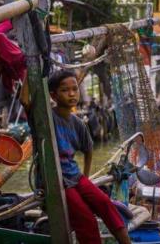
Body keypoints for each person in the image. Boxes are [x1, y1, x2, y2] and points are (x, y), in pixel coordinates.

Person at [47, 70, 131, 244]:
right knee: (86, 218)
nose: (72, 94)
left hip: (75, 176)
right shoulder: (47, 118)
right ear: (53, 95)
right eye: (65, 90)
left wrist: (84, 175)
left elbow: (88, 149)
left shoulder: (77, 123)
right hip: (56, 181)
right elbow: (26, 102)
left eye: (74, 89)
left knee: (105, 203)